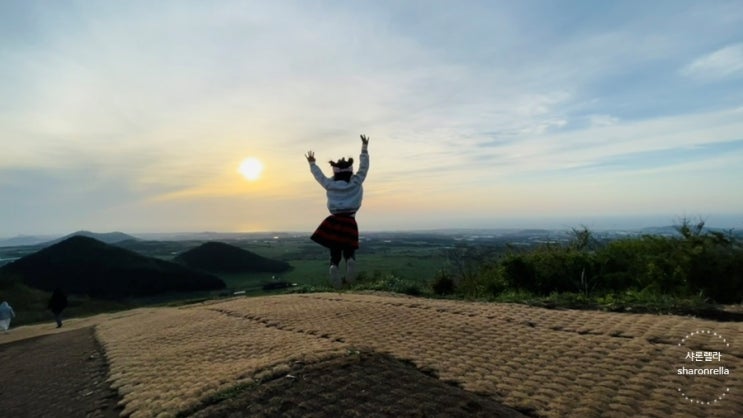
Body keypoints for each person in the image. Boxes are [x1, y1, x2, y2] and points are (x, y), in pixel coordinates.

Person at [306, 134, 370, 288]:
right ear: (350, 171)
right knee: (349, 248)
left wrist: (312, 163)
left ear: (336, 172)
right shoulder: (356, 181)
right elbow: (364, 167)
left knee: (334, 249)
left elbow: (319, 176)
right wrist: (364, 148)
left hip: (333, 220)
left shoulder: (330, 184)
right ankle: (350, 261)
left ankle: (334, 266)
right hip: (349, 219)